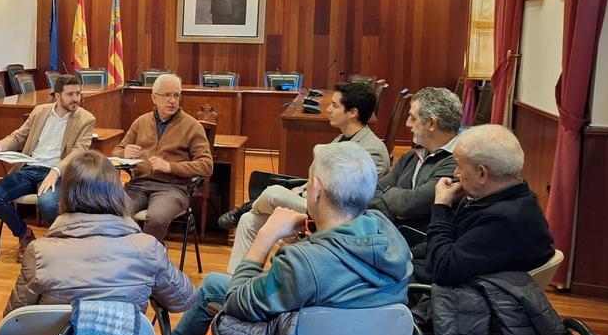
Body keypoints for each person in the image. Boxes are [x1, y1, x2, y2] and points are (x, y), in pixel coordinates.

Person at [144, 143, 412, 335]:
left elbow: (236, 300)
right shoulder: (387, 233)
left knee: (222, 308)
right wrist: (314, 240)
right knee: (213, 286)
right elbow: (338, 274)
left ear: (316, 189)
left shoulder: (303, 263)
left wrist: (266, 236)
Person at [222, 80, 390, 271]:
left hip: (336, 213)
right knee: (249, 221)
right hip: (314, 201)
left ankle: (248, 206)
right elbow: (319, 177)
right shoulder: (340, 138)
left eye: (335, 105)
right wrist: (300, 190)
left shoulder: (373, 150)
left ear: (353, 112)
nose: (328, 109)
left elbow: (347, 197)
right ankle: (232, 285)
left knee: (274, 192)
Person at [6, 151, 196, 313]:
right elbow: (184, 300)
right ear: (116, 192)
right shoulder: (148, 248)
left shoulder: (39, 251)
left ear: (65, 194)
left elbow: (14, 317)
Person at [417, 124, 554, 285]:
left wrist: (441, 206)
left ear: (482, 173)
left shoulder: (501, 220)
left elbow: (443, 270)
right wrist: (410, 254)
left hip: (451, 297)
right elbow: (452, 239)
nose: (456, 174)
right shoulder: (517, 197)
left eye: (459, 165)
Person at [0, 75, 95, 260]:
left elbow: (80, 151)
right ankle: (24, 235)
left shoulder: (86, 119)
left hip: (58, 171)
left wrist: (56, 170)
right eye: (70, 94)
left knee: (48, 204)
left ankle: (61, 243)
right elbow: (19, 136)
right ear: (57, 96)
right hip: (30, 168)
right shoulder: (40, 112)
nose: (76, 98)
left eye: (78, 93)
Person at [116, 73, 212, 241]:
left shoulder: (192, 126)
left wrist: (170, 167)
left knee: (156, 218)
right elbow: (116, 152)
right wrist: (124, 153)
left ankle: (148, 258)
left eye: (176, 95)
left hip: (173, 188)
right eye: (167, 95)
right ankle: (130, 254)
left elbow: (206, 165)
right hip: (138, 185)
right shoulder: (141, 122)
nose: (173, 100)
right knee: (114, 212)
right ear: (154, 98)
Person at [369, 86, 461, 240]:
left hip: (419, 246)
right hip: (392, 235)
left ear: (432, 124)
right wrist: (396, 209)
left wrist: (389, 194)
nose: (407, 124)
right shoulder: (412, 155)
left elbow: (411, 205)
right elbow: (374, 189)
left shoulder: (458, 161)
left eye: (413, 118)